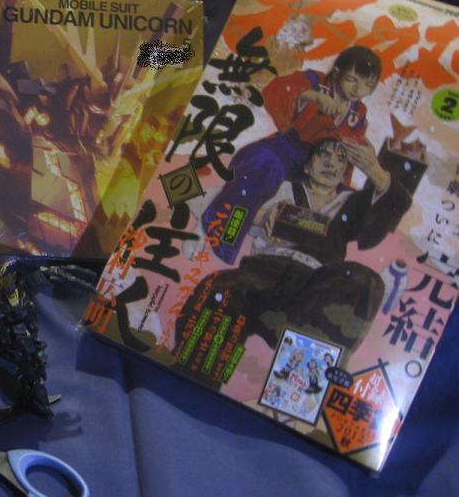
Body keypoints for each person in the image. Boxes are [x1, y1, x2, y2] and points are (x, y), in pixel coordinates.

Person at [174, 137, 412, 386]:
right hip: (261, 276)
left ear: (345, 172)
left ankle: (301, 390)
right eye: (324, 155)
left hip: (313, 289)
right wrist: (259, 215)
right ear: (306, 165)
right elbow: (218, 200)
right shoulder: (279, 186)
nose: (332, 164)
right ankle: (193, 383)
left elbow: (390, 211)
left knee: (364, 282)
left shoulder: (351, 203)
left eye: (341, 159)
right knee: (220, 290)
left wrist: (375, 171)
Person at [202, 45, 382, 263]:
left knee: (340, 205)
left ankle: (288, 259)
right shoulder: (315, 81)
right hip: (284, 150)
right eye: (352, 80)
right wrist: (309, 97)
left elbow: (346, 157)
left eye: (367, 85)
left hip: (315, 168)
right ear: (337, 72)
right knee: (264, 169)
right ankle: (225, 235)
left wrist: (339, 186)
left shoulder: (358, 114)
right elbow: (275, 91)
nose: (358, 89)